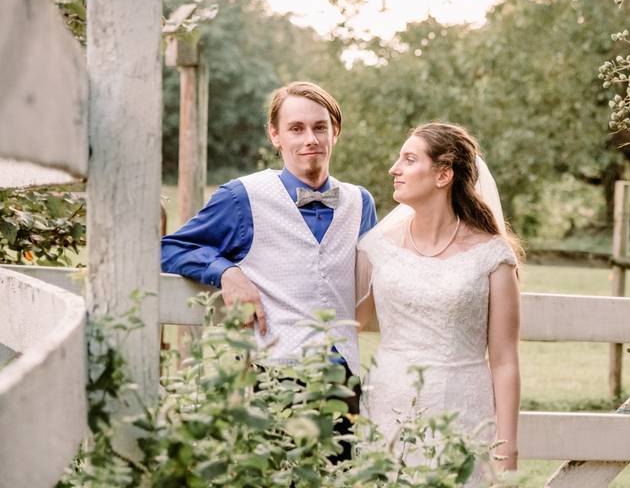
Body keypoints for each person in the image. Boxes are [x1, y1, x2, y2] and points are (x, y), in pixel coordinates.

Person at [161, 80, 377, 459]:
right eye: (296, 128)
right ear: (275, 135)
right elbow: (171, 248)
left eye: (320, 127)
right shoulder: (242, 196)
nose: (310, 138)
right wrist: (226, 272)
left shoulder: (361, 203)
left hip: (345, 381)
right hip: (276, 377)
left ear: (335, 132)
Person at [355, 123, 521, 485]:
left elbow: (505, 360)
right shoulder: (376, 247)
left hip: (462, 408)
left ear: (443, 174)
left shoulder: (492, 256)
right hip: (387, 405)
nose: (393, 169)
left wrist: (507, 445)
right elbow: (347, 324)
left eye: (409, 159)